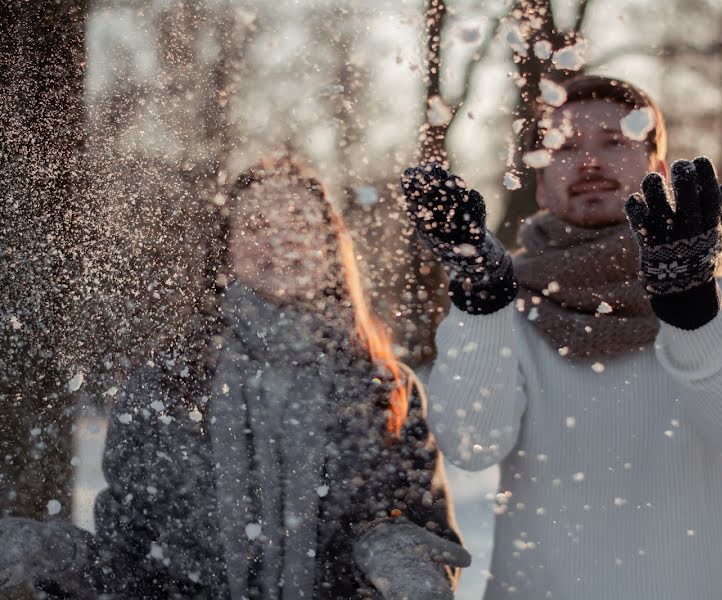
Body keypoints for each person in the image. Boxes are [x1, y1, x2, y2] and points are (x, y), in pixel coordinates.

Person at [0, 157, 470, 599]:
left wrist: (397, 554)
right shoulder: (162, 386)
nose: (281, 241)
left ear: (330, 250)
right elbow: (127, 568)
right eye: (258, 226)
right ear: (225, 254)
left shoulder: (384, 387)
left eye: (300, 226)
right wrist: (51, 555)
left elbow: (425, 532)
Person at [401, 75, 722, 599]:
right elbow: (472, 444)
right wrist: (483, 301)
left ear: (656, 167)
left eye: (614, 140)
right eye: (564, 146)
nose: (589, 161)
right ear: (540, 183)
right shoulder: (501, 308)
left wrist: (690, 306)